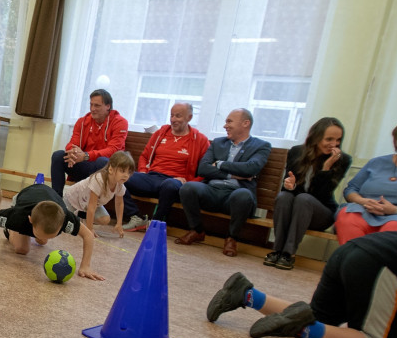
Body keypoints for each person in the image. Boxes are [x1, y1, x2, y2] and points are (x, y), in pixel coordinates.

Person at [205, 231, 397, 338]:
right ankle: (302, 327)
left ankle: (248, 295)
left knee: (320, 317)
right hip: (383, 265)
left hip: (351, 251)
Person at [175, 109, 272, 256]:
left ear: (245, 123)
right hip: (211, 191)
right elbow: (203, 168)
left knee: (243, 195)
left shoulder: (261, 146)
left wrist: (220, 163)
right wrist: (233, 175)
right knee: (188, 187)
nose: (225, 126)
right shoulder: (218, 143)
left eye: (229, 121)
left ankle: (232, 238)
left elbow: (251, 168)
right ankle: (197, 230)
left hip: (235, 195)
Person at [264, 117, 352, 270]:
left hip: (321, 213)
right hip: (297, 208)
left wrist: (326, 168)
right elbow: (288, 191)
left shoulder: (342, 160)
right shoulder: (296, 152)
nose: (334, 144)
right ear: (316, 137)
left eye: (338, 140)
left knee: (304, 199)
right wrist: (290, 186)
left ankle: (288, 253)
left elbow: (321, 195)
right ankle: (277, 250)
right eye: (329, 139)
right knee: (284, 197)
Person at [0, 183, 103, 281]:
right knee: (22, 249)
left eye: (53, 236)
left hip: (49, 196)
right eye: (38, 233)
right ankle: (10, 230)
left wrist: (85, 266)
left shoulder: (66, 218)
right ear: (31, 220)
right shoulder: (19, 215)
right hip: (25, 197)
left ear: (62, 224)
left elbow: (88, 235)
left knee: (42, 241)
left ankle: (40, 236)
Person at [120, 103, 210, 232]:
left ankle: (155, 225)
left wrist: (188, 183)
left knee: (169, 185)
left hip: (175, 182)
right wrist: (143, 171)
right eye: (172, 115)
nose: (173, 119)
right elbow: (145, 156)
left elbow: (204, 171)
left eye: (178, 116)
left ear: (189, 118)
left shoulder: (200, 140)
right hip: (152, 177)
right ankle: (136, 217)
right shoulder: (160, 134)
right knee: (119, 177)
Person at [50, 89, 128, 196]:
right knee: (58, 155)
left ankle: (91, 201)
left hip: (105, 170)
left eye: (97, 106)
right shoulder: (82, 121)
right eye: (91, 105)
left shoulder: (120, 122)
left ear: (108, 106)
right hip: (85, 165)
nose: (92, 109)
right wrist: (73, 151)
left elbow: (113, 150)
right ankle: (56, 198)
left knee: (102, 161)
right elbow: (72, 143)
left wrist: (86, 155)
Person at [63, 151, 135, 237]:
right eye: (122, 171)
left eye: (129, 172)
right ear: (111, 169)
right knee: (64, 221)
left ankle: (81, 216)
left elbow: (119, 203)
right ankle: (78, 216)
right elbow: (92, 206)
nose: (126, 175)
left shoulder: (119, 185)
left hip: (86, 205)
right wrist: (89, 229)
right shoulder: (99, 180)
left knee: (105, 219)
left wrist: (119, 224)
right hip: (72, 199)